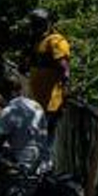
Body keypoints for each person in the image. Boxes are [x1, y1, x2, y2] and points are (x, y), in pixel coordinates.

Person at [26, 9, 70, 139]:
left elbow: (64, 68)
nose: (35, 26)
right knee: (36, 136)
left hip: (50, 103)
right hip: (37, 100)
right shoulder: (39, 41)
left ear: (47, 23)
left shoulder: (55, 41)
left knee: (45, 137)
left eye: (38, 23)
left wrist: (65, 92)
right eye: (34, 23)